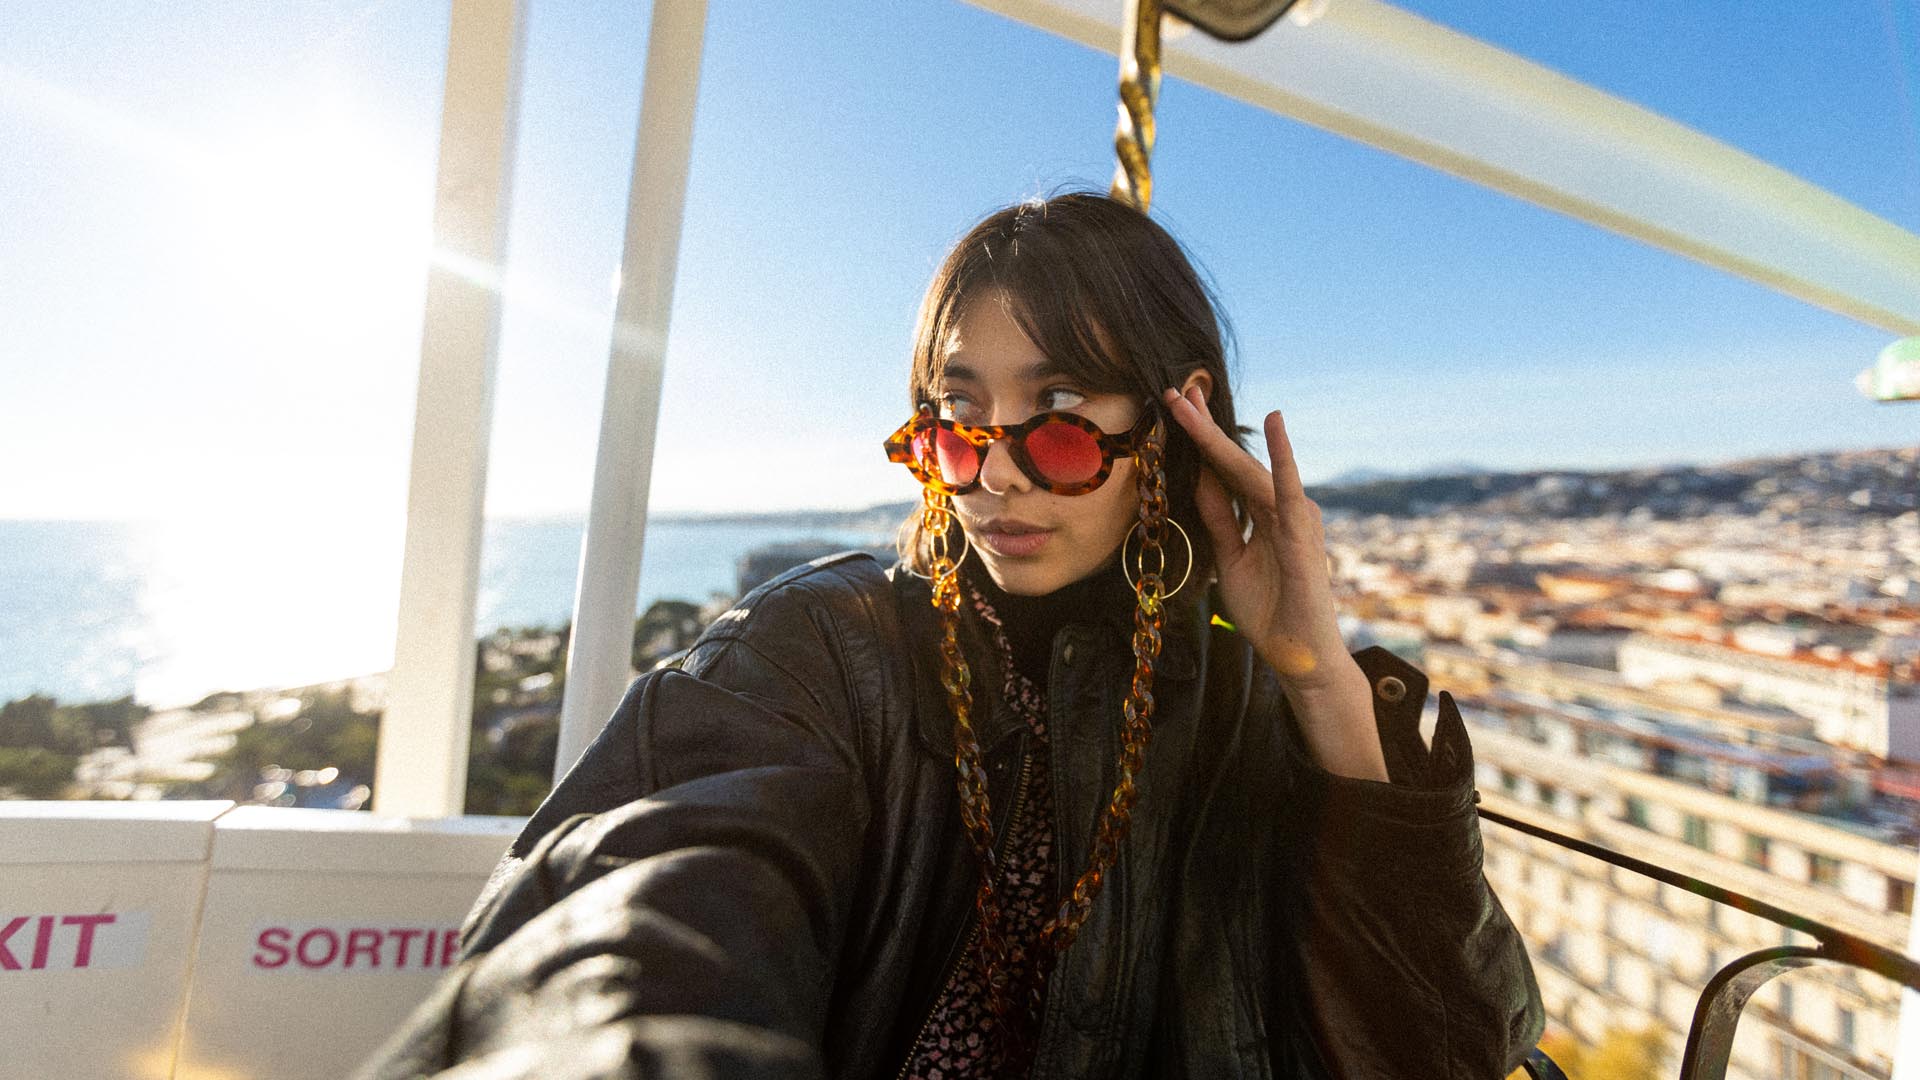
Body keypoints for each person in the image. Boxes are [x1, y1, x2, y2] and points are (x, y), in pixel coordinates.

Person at [355, 191, 1544, 1079]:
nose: (994, 478)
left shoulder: (1252, 710)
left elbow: (1453, 1048)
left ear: (1172, 425)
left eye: (1061, 419)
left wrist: (1320, 683)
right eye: (957, 422)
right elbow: (640, 903)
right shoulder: (825, 650)